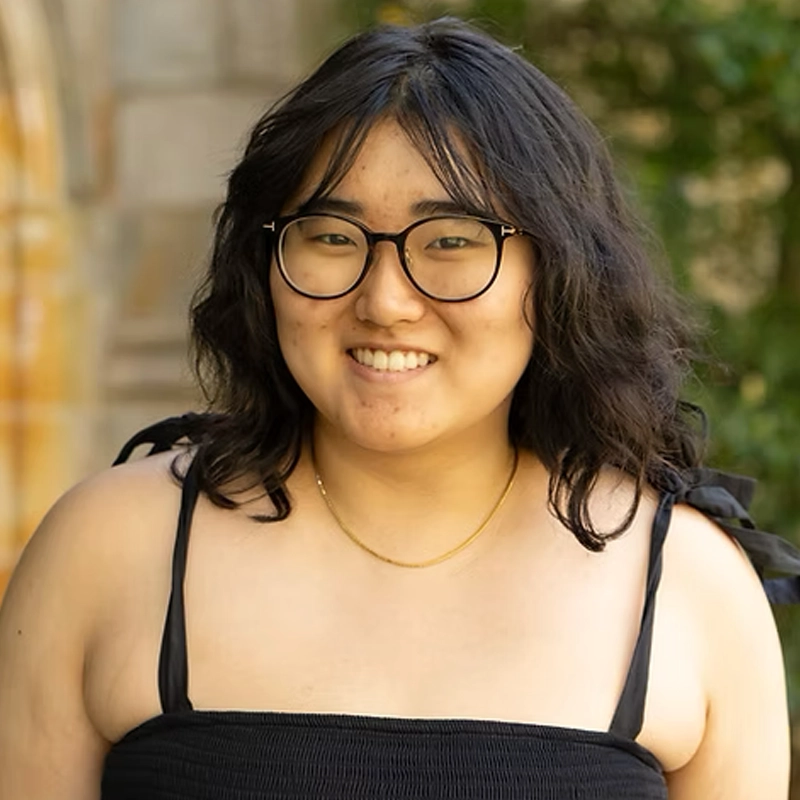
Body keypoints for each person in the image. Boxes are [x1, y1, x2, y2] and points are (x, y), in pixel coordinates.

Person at [0, 16, 795, 800]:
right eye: (332, 237)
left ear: (556, 272)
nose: (385, 301)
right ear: (265, 263)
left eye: (450, 241)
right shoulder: (107, 553)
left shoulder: (690, 589)